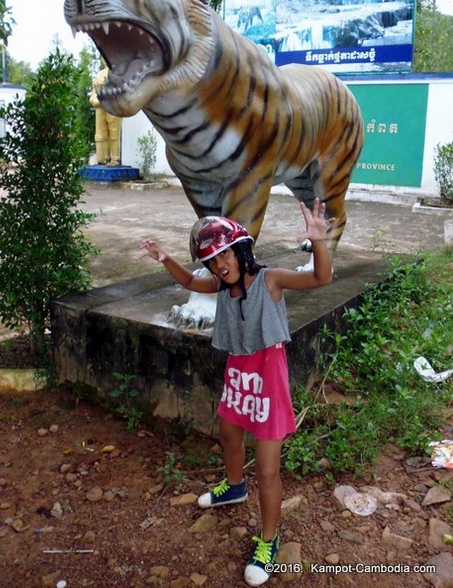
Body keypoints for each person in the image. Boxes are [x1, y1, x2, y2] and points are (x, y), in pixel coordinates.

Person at [140, 198, 333, 587]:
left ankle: (269, 540)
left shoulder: (271, 279)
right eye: (212, 261)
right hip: (238, 371)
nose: (219, 266)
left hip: (268, 376)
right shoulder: (219, 285)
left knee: (268, 467)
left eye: (224, 255)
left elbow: (320, 279)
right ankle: (234, 487)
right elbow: (190, 282)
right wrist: (165, 257)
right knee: (228, 435)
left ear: (241, 249)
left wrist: (318, 243)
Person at [89, 67, 122, 166]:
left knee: (114, 132)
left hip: (113, 107)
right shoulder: (99, 75)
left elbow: (121, 91)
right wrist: (95, 100)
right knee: (101, 133)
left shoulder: (117, 74)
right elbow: (93, 93)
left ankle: (115, 159)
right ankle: (103, 158)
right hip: (100, 107)